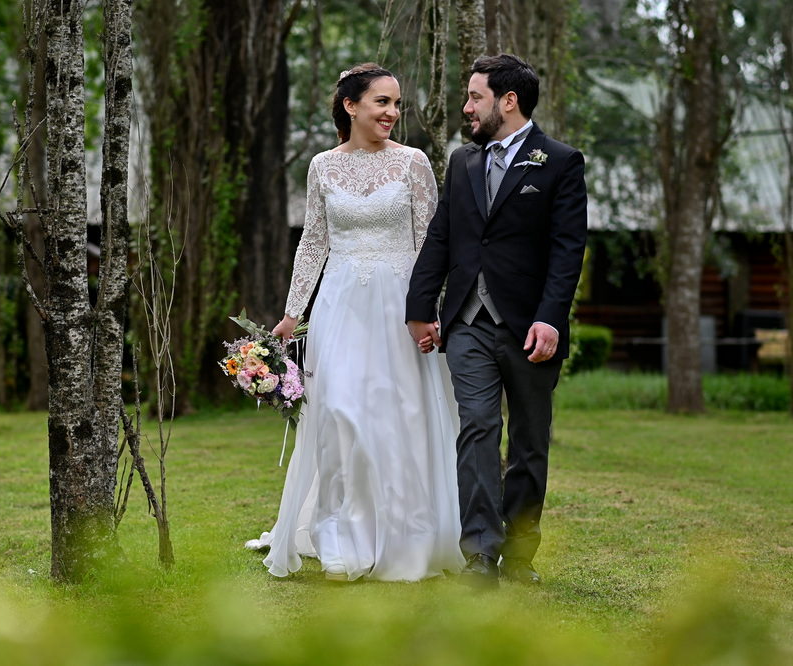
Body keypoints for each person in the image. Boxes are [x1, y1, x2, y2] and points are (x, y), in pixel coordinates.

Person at [246, 63, 463, 582]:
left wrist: (429, 311)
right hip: (339, 306)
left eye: (396, 105)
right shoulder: (322, 166)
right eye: (381, 103)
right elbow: (314, 242)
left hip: (400, 307)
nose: (391, 113)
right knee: (339, 412)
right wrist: (291, 315)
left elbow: (430, 244)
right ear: (351, 106)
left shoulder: (413, 164)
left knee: (399, 415)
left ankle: (406, 534)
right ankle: (341, 536)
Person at [406, 54, 587, 588]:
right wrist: (420, 310)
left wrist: (551, 319)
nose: (467, 106)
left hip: (531, 327)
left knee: (530, 442)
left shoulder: (559, 161)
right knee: (479, 428)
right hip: (467, 322)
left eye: (475, 96)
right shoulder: (462, 162)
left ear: (508, 101)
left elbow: (567, 249)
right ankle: (480, 553)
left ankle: (521, 554)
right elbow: (443, 235)